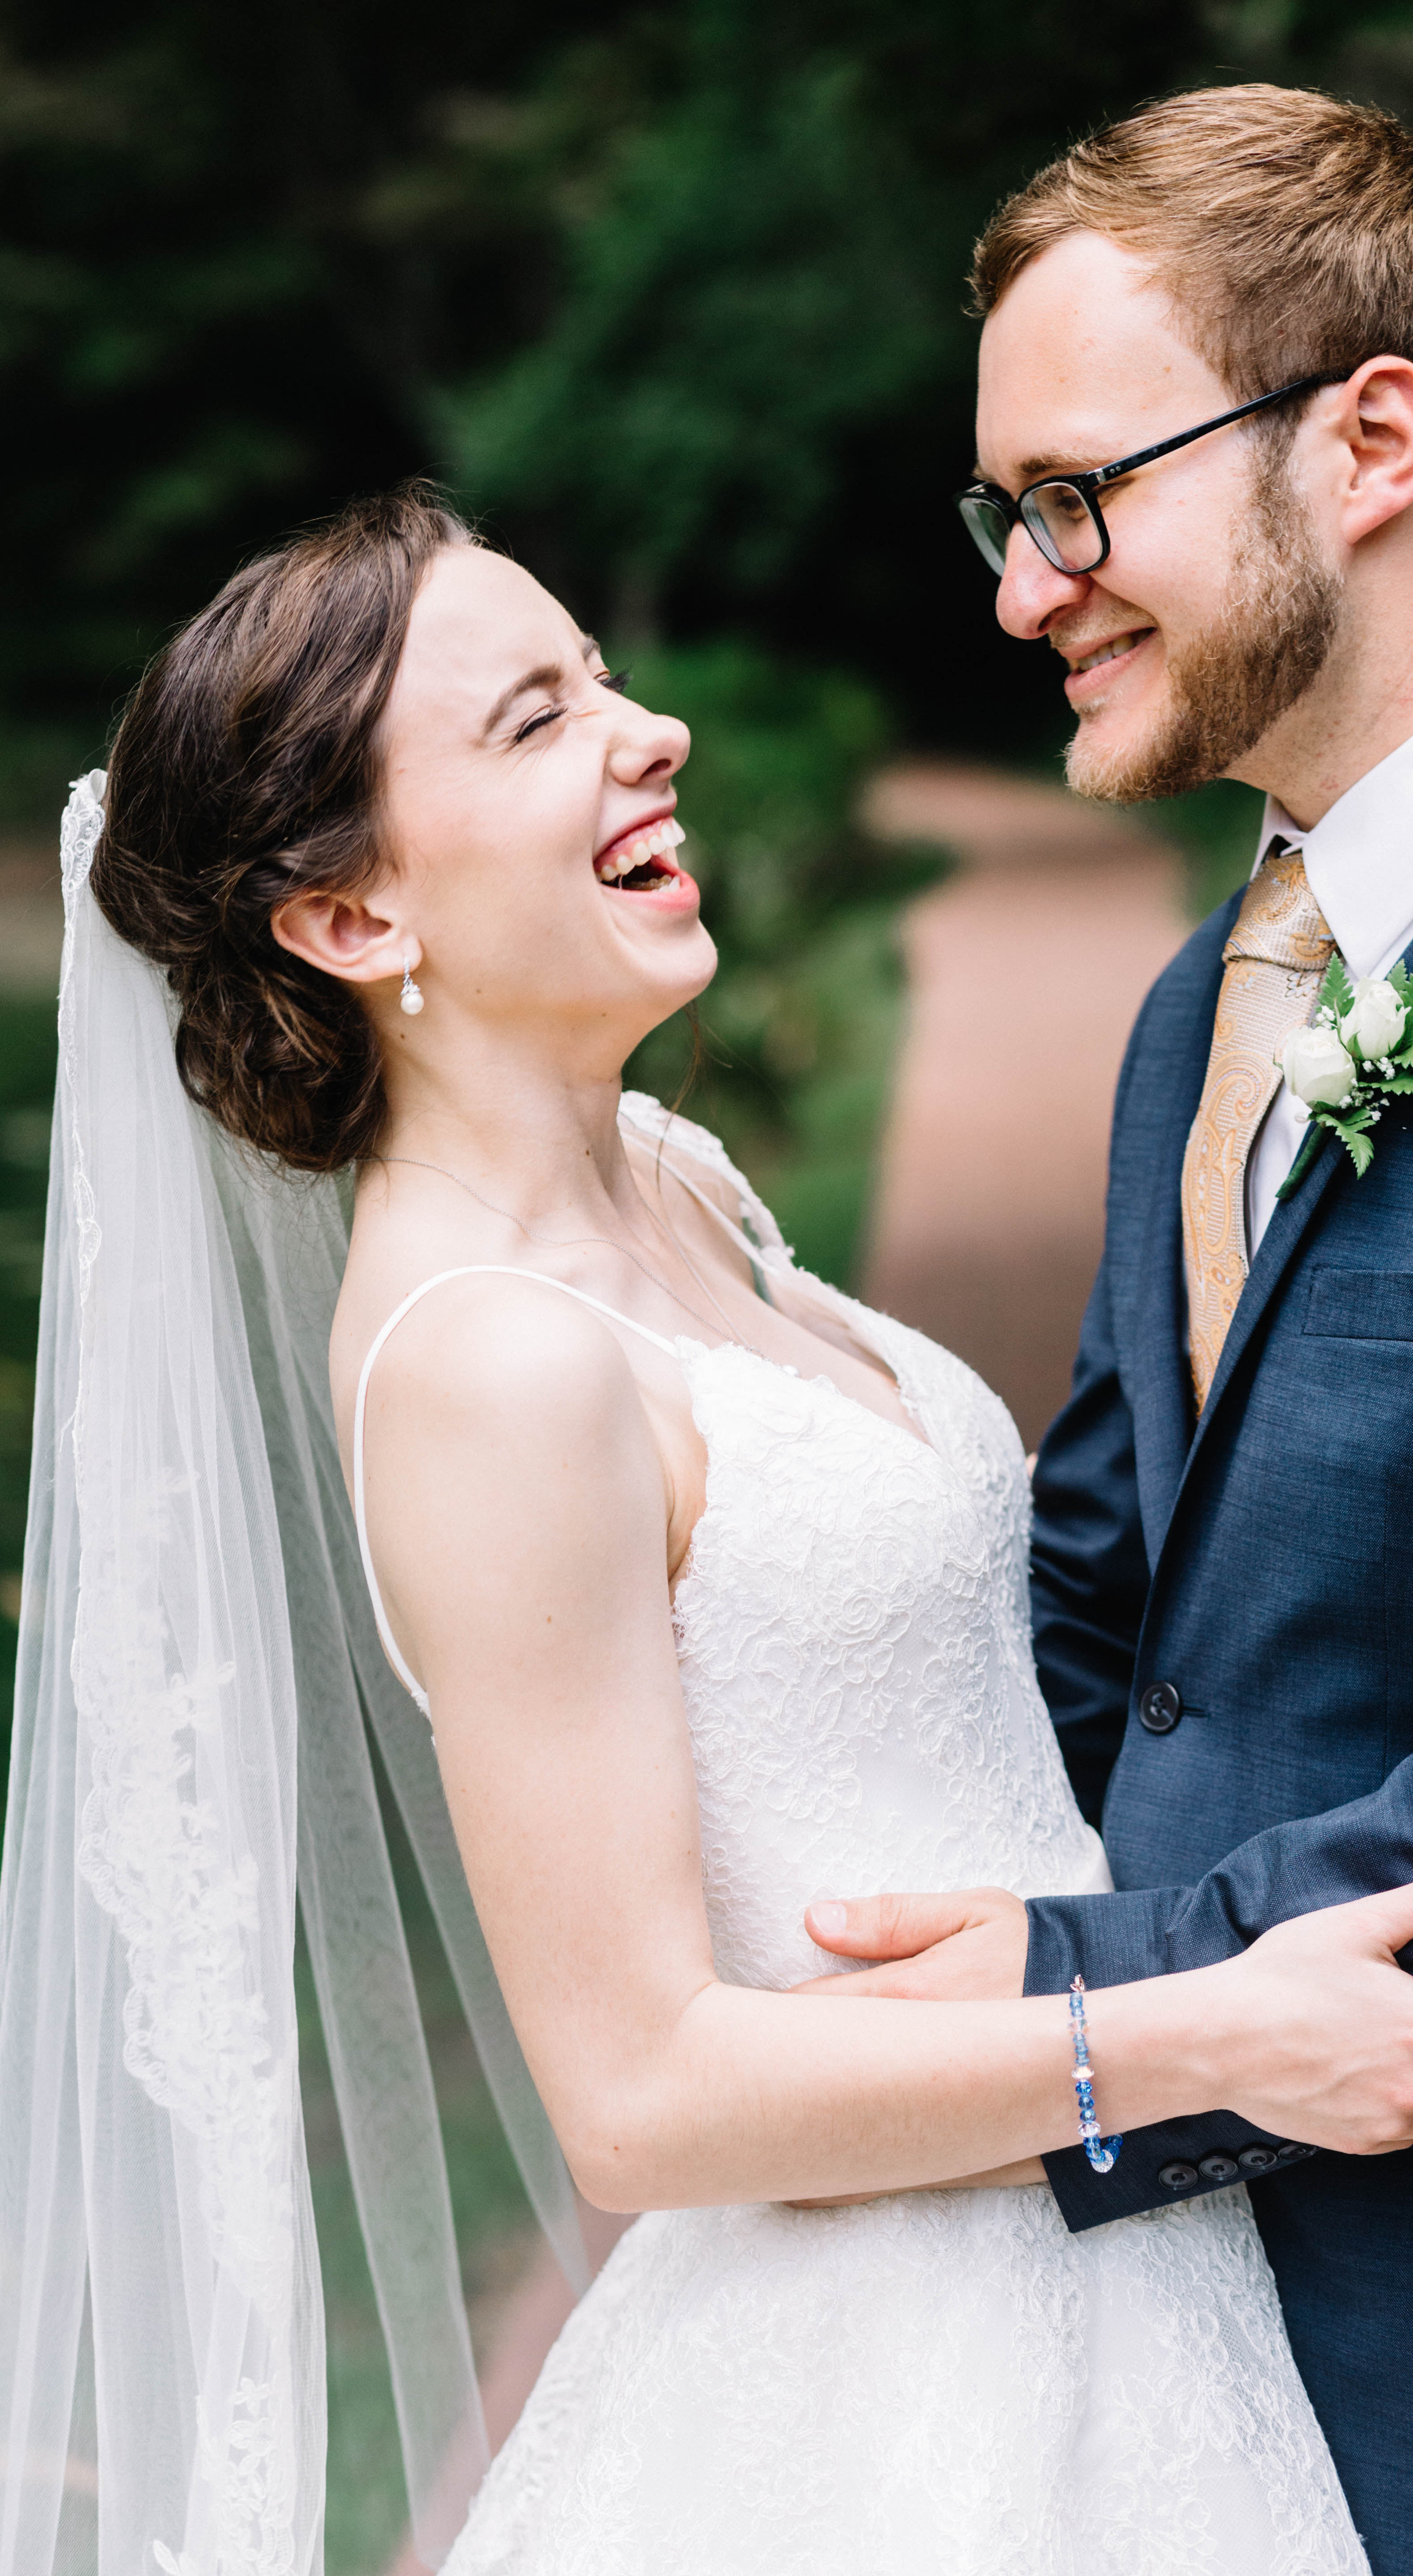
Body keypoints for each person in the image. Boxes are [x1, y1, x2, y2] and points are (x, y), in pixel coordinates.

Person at [0, 479, 1413, 2576]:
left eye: (604, 678)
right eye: (536, 722)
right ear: (354, 920)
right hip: (895, 2352)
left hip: (1104, 2248)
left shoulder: (672, 1173)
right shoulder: (488, 1368)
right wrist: (1216, 2034)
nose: (653, 733)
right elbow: (640, 2093)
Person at [803, 80, 1413, 2576]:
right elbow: (1101, 1600)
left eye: (1081, 494)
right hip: (1152, 2346)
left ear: (1375, 437)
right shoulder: (1200, 1007)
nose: (1026, 584)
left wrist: (1088, 2003)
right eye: (1007, 516)